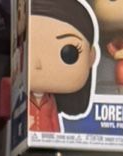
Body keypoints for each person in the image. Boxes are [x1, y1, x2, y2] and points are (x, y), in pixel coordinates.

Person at [26, 0, 99, 134]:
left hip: (47, 137)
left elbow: (54, 121)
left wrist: (56, 136)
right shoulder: (22, 101)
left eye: (69, 53)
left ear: (91, 57)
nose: (38, 64)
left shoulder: (51, 101)